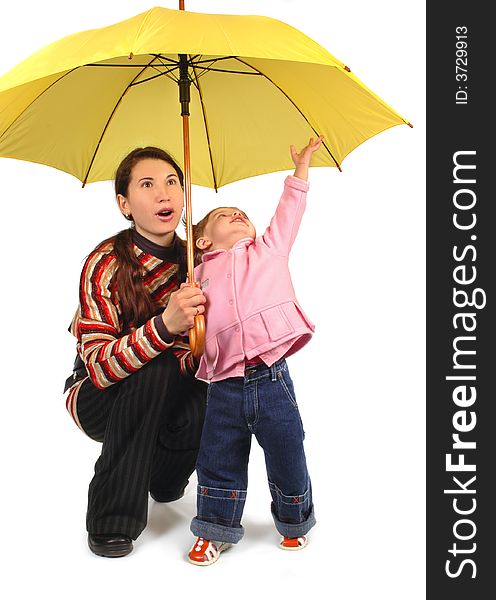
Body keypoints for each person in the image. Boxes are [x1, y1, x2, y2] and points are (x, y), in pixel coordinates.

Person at [64, 146, 207, 558]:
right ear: (124, 203)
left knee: (214, 391)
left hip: (169, 390)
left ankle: (164, 477)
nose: (164, 194)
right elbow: (100, 367)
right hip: (98, 394)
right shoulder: (104, 262)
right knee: (155, 368)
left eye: (172, 182)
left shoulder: (196, 261)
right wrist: (166, 325)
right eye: (147, 185)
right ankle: (112, 519)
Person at [186, 136, 322, 566]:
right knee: (217, 456)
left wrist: (299, 172)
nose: (237, 215)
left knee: (287, 447)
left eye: (242, 213)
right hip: (223, 383)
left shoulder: (267, 250)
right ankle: (215, 528)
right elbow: (188, 328)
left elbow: (289, 214)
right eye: (225, 216)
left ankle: (294, 519)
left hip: (271, 374)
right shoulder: (195, 276)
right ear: (203, 241)